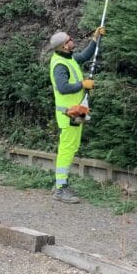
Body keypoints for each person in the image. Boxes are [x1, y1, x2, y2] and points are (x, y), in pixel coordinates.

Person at [48, 27, 105, 203]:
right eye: (69, 38)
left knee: (70, 149)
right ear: (65, 45)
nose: (72, 39)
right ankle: (60, 190)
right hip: (68, 115)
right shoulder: (59, 65)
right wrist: (83, 84)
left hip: (75, 113)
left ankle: (60, 184)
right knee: (67, 150)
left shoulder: (68, 58)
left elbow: (85, 56)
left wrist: (96, 39)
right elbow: (63, 88)